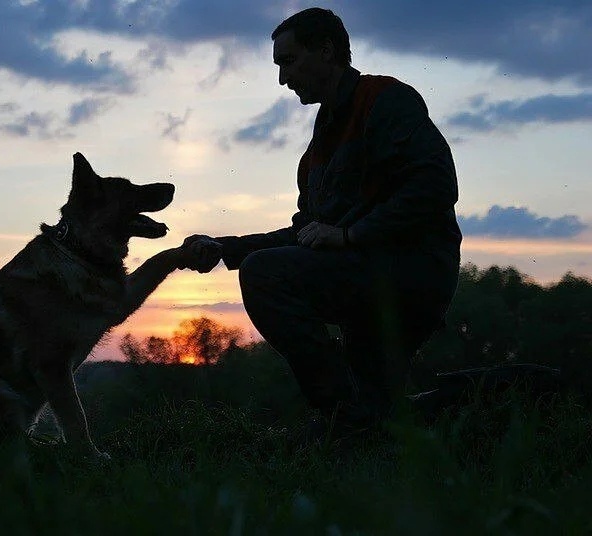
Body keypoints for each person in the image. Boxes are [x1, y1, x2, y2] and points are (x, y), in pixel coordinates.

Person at [181, 8, 462, 438]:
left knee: (265, 275)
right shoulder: (318, 147)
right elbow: (308, 233)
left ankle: (342, 414)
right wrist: (227, 247)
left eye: (288, 62)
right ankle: (487, 399)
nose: (282, 79)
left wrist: (351, 235)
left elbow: (436, 186)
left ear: (327, 51)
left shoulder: (386, 100)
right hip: (360, 277)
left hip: (409, 275)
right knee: (389, 417)